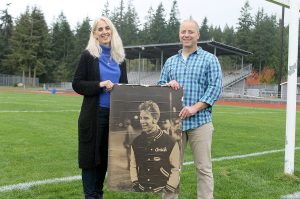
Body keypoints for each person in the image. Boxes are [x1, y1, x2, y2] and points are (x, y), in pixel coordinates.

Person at [158, 18, 222, 199]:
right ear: (179, 34)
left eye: (190, 32)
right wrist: (167, 84)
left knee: (204, 168)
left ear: (198, 35)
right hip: (174, 124)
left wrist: (195, 108)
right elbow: (160, 86)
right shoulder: (170, 61)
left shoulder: (210, 60)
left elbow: (215, 88)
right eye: (183, 32)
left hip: (200, 122)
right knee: (171, 168)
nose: (186, 35)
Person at [72, 16, 128, 199]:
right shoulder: (88, 55)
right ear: (95, 34)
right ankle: (90, 195)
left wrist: (117, 88)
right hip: (93, 115)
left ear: (112, 31)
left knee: (104, 158)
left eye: (107, 28)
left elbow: (125, 87)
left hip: (114, 116)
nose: (104, 32)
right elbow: (77, 83)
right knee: (90, 159)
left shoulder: (120, 58)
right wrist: (99, 84)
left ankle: (98, 193)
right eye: (100, 29)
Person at [130, 100, 180, 193]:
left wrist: (169, 188)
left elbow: (176, 168)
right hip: (141, 190)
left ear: (155, 119)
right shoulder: (136, 142)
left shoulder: (171, 142)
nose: (142, 121)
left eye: (146, 118)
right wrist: (135, 183)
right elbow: (133, 165)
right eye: (141, 118)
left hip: (162, 190)